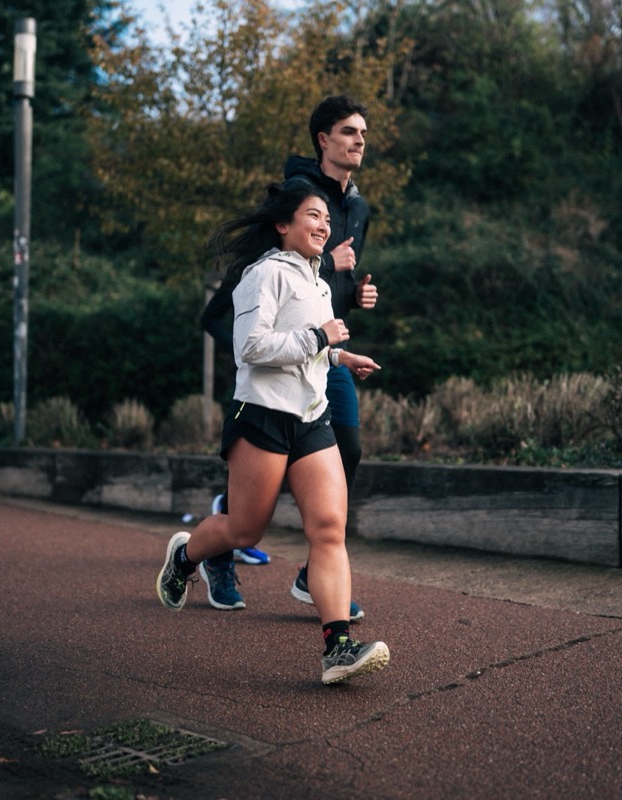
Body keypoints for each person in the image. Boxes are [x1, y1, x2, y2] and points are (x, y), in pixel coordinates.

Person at [156, 183, 390, 685]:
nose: (325, 225)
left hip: (311, 417)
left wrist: (341, 355)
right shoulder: (262, 275)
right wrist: (320, 337)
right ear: (283, 225)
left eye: (328, 218)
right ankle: (185, 556)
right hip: (261, 416)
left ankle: (338, 649)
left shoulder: (321, 282)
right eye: (313, 215)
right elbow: (251, 347)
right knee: (244, 531)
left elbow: (311, 348)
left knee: (329, 528)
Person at [199, 95, 377, 619]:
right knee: (256, 500)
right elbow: (269, 280)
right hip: (270, 351)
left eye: (363, 133)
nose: (359, 141)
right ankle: (220, 548)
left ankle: (315, 574)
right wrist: (331, 269)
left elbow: (324, 290)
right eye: (348, 131)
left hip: (325, 354)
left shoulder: (359, 207)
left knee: (348, 448)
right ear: (323, 140)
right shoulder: (296, 195)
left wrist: (355, 289)